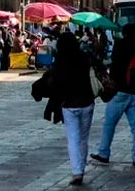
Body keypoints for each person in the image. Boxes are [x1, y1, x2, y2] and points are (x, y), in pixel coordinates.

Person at [90, 23, 135, 167]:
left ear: (124, 33)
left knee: (109, 124)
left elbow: (114, 65)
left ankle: (104, 152)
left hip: (119, 91)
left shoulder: (120, 45)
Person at [50, 33, 96, 186]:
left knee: (73, 139)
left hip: (69, 104)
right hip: (87, 101)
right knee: (83, 138)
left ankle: (77, 172)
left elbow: (55, 82)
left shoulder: (60, 61)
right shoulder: (84, 57)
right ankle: (81, 168)